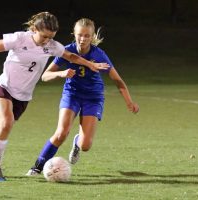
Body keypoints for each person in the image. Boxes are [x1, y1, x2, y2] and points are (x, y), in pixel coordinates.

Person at [0, 12, 109, 182]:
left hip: (22, 98)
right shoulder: (19, 39)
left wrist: (89, 64)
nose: (47, 40)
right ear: (34, 29)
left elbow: (70, 56)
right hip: (3, 88)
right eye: (44, 36)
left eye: (51, 37)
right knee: (7, 121)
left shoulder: (52, 46)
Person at [26, 18, 139, 176]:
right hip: (71, 94)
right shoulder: (66, 50)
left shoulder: (99, 54)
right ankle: (37, 166)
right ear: (74, 34)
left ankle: (77, 142)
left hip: (93, 97)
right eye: (80, 35)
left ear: (92, 37)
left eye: (87, 35)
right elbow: (45, 76)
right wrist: (62, 73)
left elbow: (117, 80)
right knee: (61, 133)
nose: (83, 39)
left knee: (85, 145)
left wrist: (129, 102)